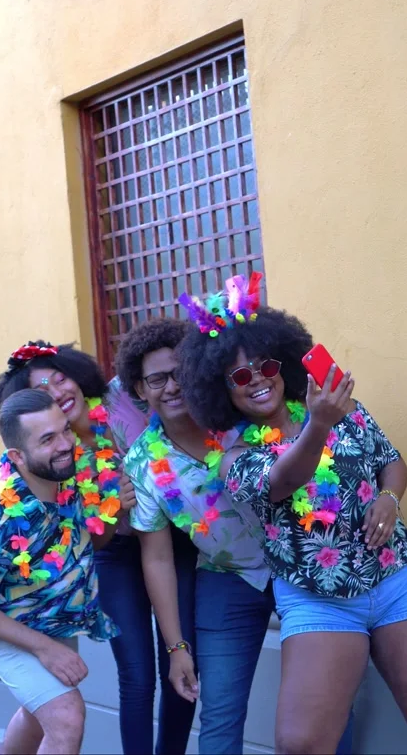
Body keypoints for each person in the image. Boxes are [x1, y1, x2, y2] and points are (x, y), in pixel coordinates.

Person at [177, 272, 407, 755]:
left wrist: (388, 500)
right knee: (301, 743)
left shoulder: (340, 407)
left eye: (266, 364)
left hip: (398, 579)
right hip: (320, 600)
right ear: (221, 391)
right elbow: (283, 480)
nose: (259, 379)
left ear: (283, 361)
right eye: (240, 376)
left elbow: (392, 463)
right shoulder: (235, 458)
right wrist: (319, 424)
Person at [0, 340, 197, 755]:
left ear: (75, 373)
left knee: (182, 659)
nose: (59, 392)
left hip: (174, 544)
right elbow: (90, 538)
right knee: (137, 674)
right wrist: (110, 511)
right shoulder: (53, 453)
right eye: (42, 390)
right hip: (113, 554)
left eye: (60, 377)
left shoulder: (123, 398)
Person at [117, 317, 280, 755]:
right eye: (157, 379)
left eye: (179, 374)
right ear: (139, 389)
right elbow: (157, 559)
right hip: (227, 580)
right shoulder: (142, 465)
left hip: (297, 566)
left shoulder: (240, 418)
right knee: (220, 713)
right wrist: (176, 648)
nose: (171, 387)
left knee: (323, 697)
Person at [0, 389, 132, 755]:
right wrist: (46, 649)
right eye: (48, 439)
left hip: (54, 618)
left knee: (37, 714)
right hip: (8, 626)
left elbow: (89, 544)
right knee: (65, 715)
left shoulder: (68, 469)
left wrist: (113, 511)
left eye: (64, 430)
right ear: (17, 455)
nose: (65, 444)